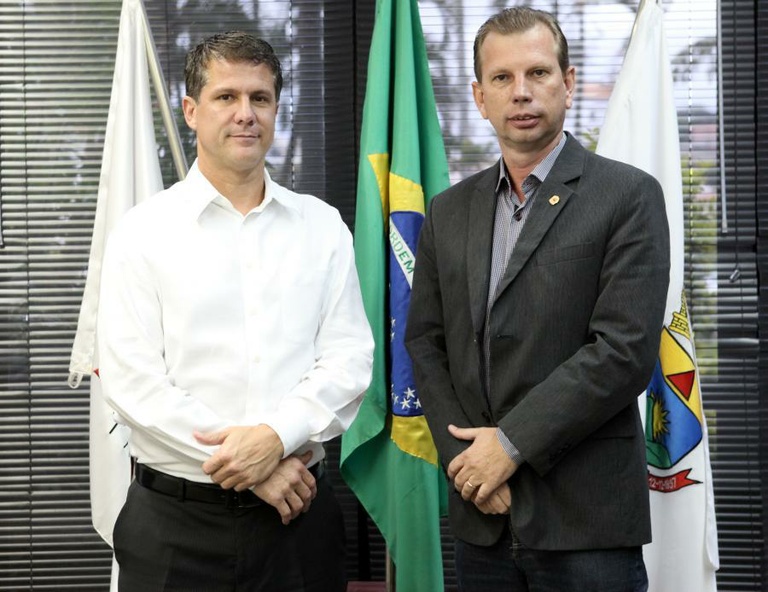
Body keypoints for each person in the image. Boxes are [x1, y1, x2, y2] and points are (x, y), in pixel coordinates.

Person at [405, 7, 670, 591]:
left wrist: (510, 445)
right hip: (484, 519)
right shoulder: (449, 211)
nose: (521, 92)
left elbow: (623, 351)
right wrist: (469, 466)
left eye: (538, 73)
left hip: (586, 524)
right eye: (501, 78)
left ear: (568, 84)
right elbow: (425, 344)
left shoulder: (626, 196)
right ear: (479, 96)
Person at [97, 31, 373, 591]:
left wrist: (275, 435)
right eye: (226, 97)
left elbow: (348, 361)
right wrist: (256, 465)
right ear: (191, 111)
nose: (245, 114)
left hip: (298, 523)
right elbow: (133, 381)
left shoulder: (321, 227)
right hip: (174, 528)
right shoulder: (143, 232)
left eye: (260, 98)